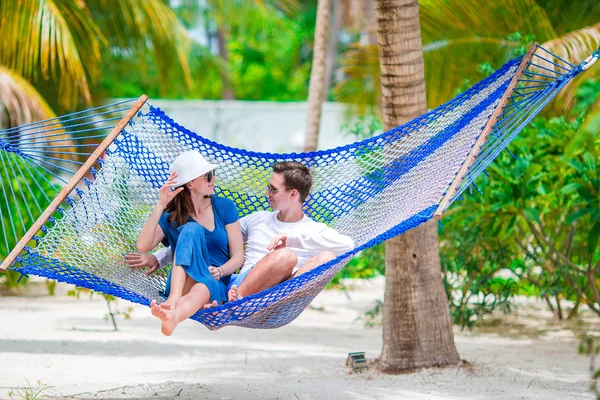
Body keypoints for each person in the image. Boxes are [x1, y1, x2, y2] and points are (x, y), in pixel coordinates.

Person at [128, 161, 354, 305]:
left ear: (293, 194)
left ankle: (273, 303)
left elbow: (348, 245)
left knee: (326, 257)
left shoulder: (313, 229)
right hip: (244, 285)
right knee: (286, 256)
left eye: (273, 189)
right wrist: (160, 257)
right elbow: (212, 239)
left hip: (286, 289)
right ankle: (238, 301)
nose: (267, 193)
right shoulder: (258, 219)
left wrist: (291, 239)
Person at [132, 150, 243, 336]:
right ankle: (174, 297)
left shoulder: (224, 207)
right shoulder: (172, 217)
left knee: (203, 287)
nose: (213, 178)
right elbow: (143, 246)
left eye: (212, 174)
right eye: (207, 175)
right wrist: (160, 205)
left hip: (213, 282)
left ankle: (172, 315)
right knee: (192, 229)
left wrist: (221, 271)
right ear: (190, 183)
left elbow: (238, 256)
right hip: (181, 284)